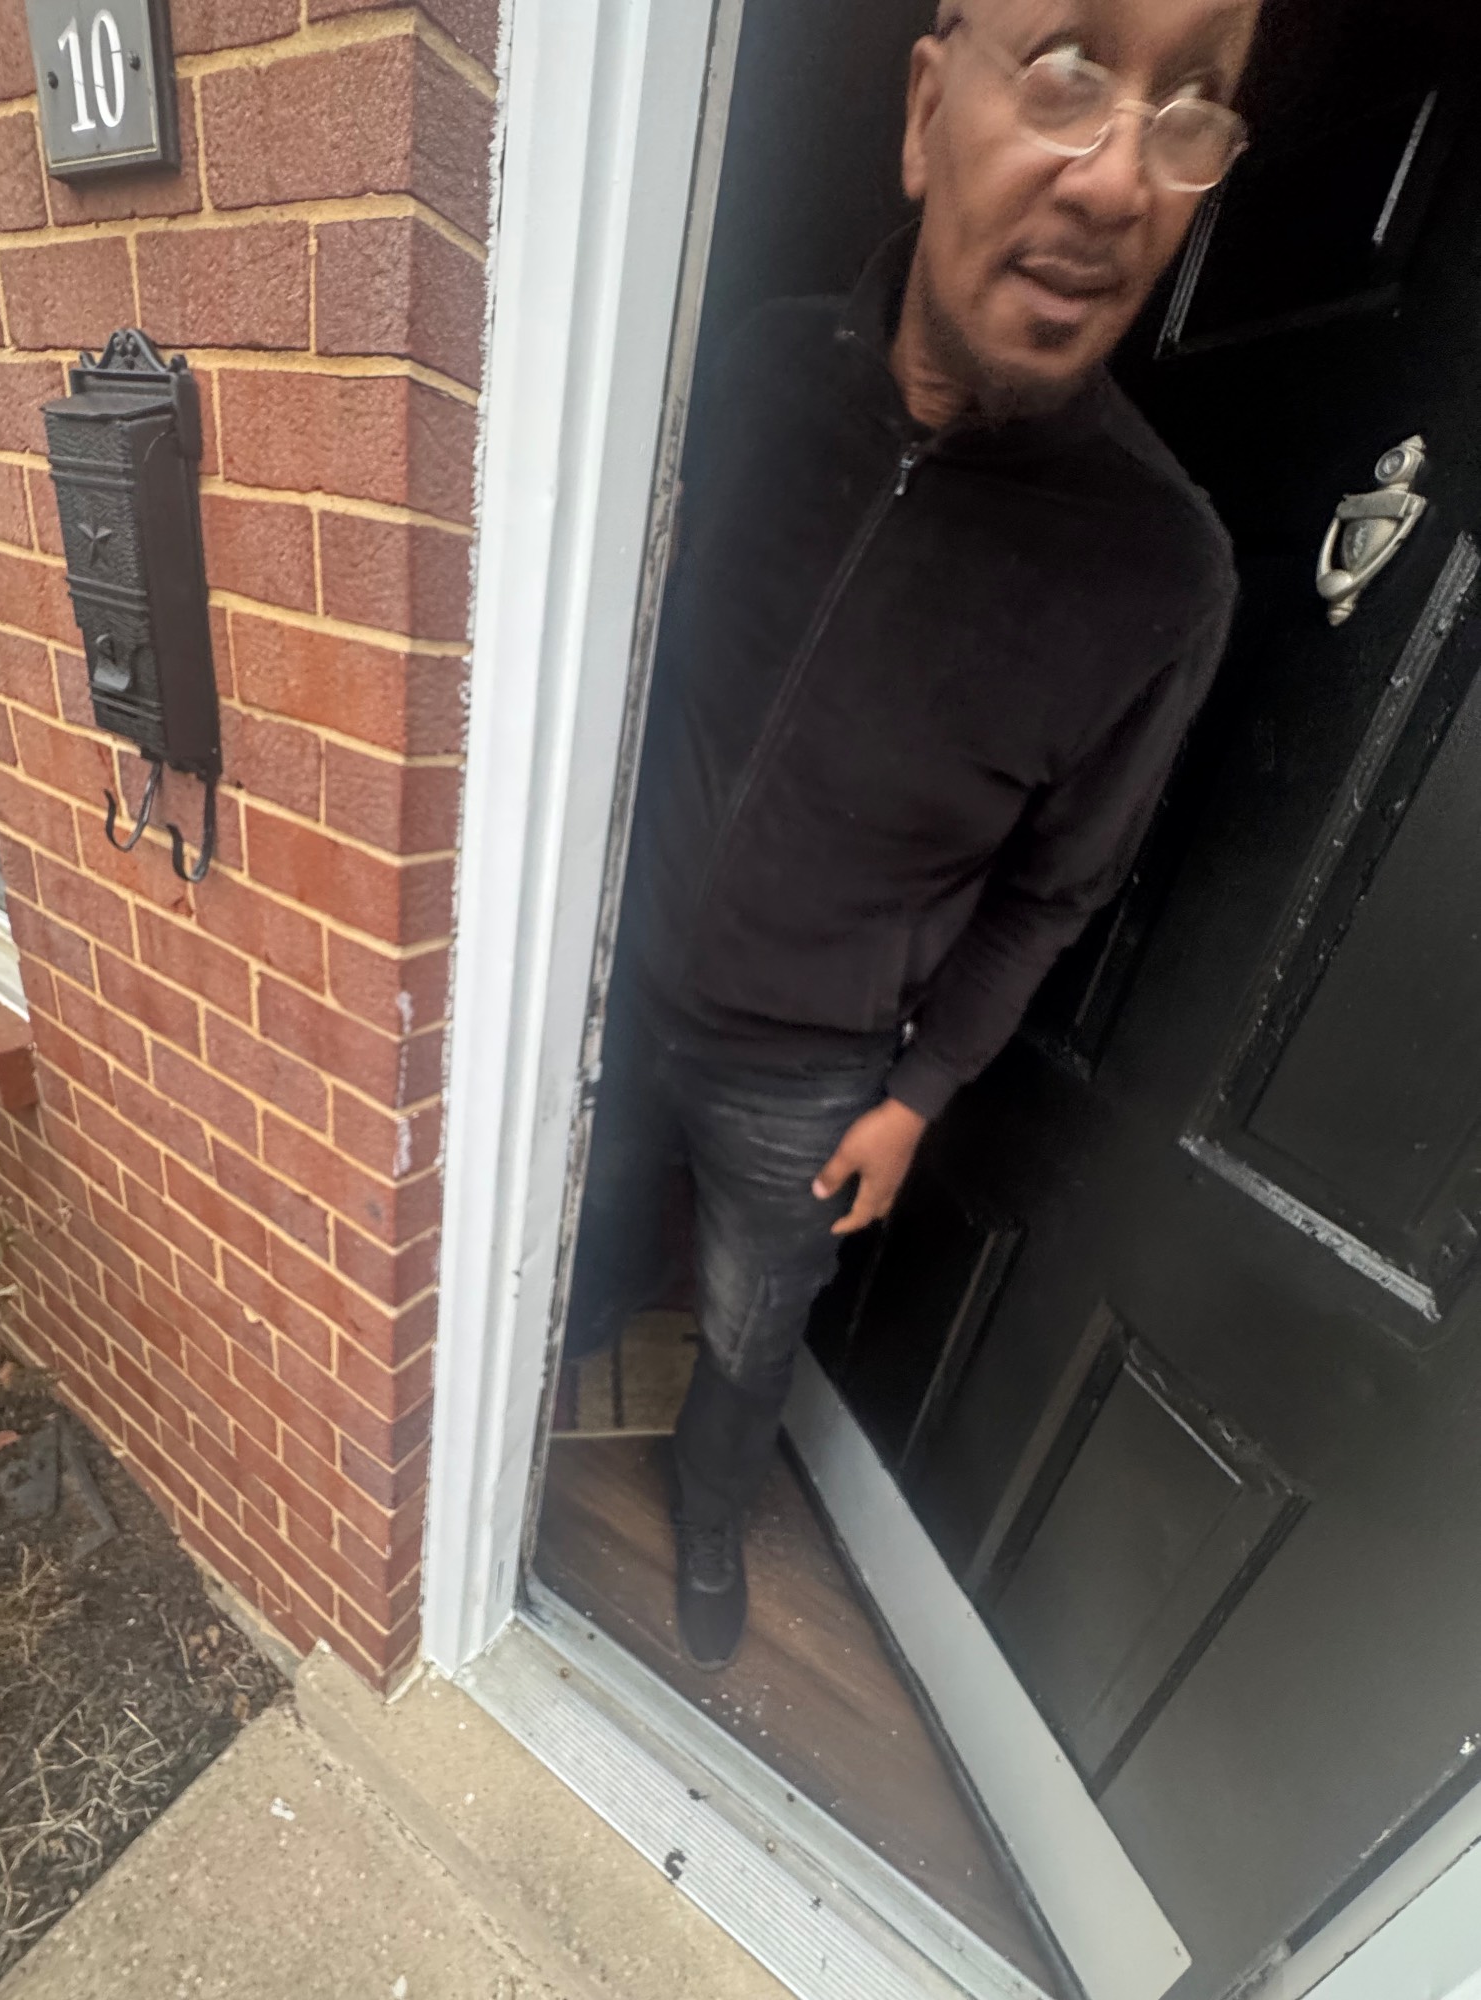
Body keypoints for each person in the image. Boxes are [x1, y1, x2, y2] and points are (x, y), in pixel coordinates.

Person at [566, 0, 1263, 1670]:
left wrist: (917, 1094)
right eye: (1069, 69)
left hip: (812, 1074)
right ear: (923, 108)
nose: (1117, 179)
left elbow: (1058, 892)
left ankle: (712, 1507)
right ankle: (544, 1388)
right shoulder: (751, 369)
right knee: (581, 1225)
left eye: (1190, 109)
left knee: (754, 1325)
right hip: (612, 965)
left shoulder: (1160, 571)